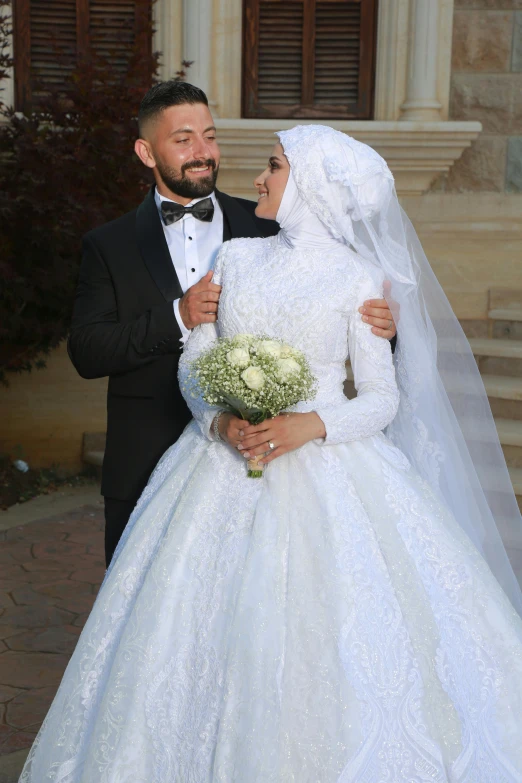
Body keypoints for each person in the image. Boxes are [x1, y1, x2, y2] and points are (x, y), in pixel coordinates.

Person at [21, 125, 522, 782]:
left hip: (328, 462)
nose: (259, 177)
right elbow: (195, 362)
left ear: (310, 184)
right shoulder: (234, 258)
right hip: (217, 468)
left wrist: (305, 425)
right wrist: (220, 421)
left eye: (274, 165)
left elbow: (380, 398)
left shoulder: (362, 279)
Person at [67, 81, 397, 566]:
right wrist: (178, 317)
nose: (203, 153)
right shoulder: (107, 244)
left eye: (210, 136)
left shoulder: (271, 226)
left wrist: (388, 328)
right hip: (149, 461)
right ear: (146, 151)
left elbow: (348, 326)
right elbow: (88, 351)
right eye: (183, 140)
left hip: (284, 468)